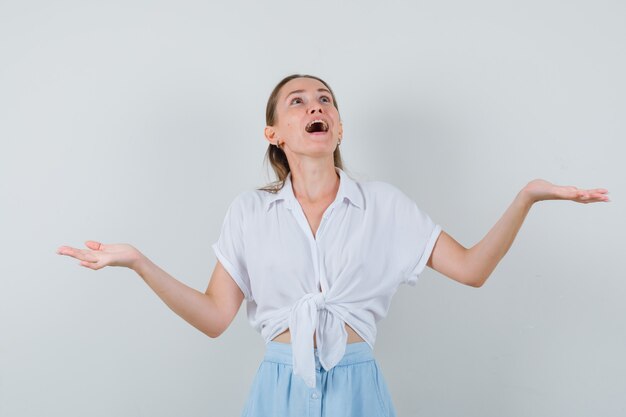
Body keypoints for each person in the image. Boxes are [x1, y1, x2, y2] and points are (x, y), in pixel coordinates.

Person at [56, 74, 610, 417]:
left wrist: (526, 198)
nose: (313, 106)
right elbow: (214, 316)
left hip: (357, 385)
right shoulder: (250, 212)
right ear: (274, 133)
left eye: (324, 100)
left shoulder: (385, 205)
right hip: (278, 386)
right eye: (296, 102)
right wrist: (136, 261)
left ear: (339, 127)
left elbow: (470, 269)